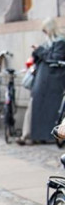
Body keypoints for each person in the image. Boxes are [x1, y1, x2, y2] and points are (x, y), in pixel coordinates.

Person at [17, 17, 65, 145]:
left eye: (45, 30)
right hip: (42, 80)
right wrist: (36, 52)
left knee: (50, 110)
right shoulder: (48, 42)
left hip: (53, 81)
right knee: (36, 107)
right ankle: (33, 135)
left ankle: (43, 136)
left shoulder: (60, 42)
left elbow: (54, 58)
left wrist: (40, 51)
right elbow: (43, 57)